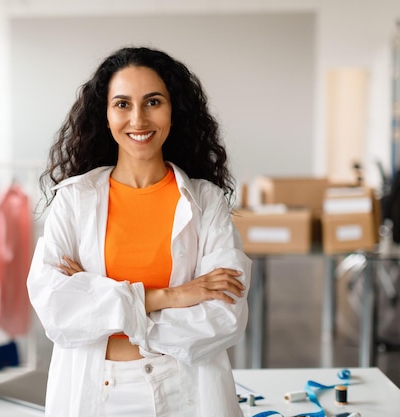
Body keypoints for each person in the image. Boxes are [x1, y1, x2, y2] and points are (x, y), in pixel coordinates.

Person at [27, 46, 251, 417]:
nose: (138, 119)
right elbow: (57, 311)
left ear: (173, 110)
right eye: (122, 104)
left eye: (152, 102)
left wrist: (99, 300)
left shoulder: (206, 201)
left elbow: (223, 318)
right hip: (96, 393)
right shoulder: (74, 200)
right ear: (106, 114)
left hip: (186, 391)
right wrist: (172, 296)